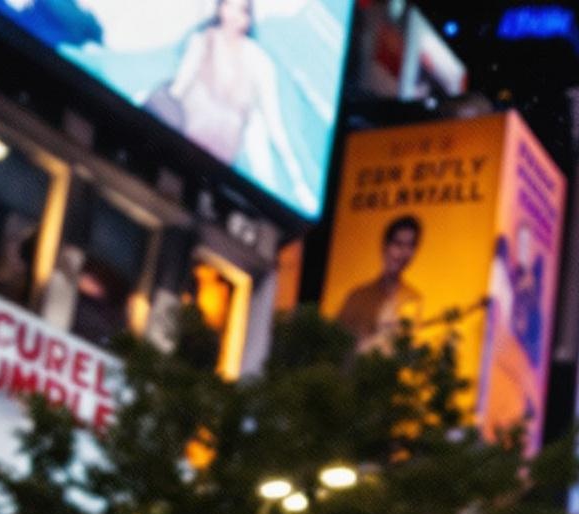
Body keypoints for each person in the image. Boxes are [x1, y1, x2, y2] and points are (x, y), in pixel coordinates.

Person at [157, 0, 316, 210]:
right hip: (184, 139)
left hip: (219, 158)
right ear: (219, 8)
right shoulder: (203, 41)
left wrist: (298, 184)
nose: (233, 15)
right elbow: (177, 90)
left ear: (249, 18)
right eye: (229, 5)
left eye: (241, 10)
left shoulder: (259, 61)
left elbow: (274, 126)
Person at [332, 214, 424, 349]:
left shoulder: (413, 299)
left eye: (410, 246)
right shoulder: (358, 297)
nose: (404, 253)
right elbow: (336, 343)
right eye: (398, 244)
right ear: (385, 246)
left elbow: (407, 350)